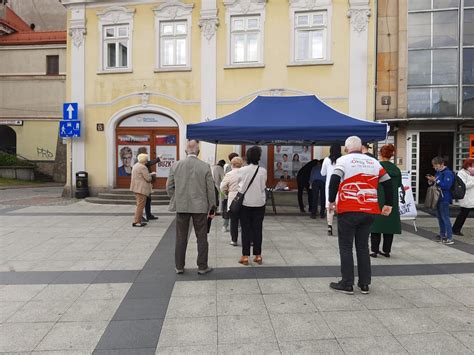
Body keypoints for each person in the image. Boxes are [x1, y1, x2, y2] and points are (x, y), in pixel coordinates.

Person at [328, 136, 393, 295]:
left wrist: (331, 200)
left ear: (347, 148)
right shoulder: (373, 162)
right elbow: (388, 183)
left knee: (346, 247)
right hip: (369, 210)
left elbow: (335, 179)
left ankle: (347, 283)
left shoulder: (344, 160)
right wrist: (388, 204)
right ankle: (364, 284)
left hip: (348, 209)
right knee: (363, 247)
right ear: (361, 147)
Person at [166, 140, 216, 275]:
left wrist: (176, 197)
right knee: (202, 237)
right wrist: (212, 207)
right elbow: (210, 190)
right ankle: (202, 266)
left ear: (185, 151)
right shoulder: (205, 166)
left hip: (182, 206)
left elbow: (169, 186)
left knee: (180, 237)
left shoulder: (176, 165)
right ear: (198, 152)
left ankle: (179, 266)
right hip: (200, 207)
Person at [370, 144, 404, 258]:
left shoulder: (376, 167)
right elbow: (399, 184)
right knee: (389, 226)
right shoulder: (396, 169)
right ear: (392, 155)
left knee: (376, 225)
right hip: (392, 200)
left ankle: (374, 250)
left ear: (380, 154)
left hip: (377, 198)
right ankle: (386, 250)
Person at [238, 146, 267, 265]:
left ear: (247, 157)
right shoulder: (263, 171)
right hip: (259, 203)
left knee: (245, 230)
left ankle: (245, 256)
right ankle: (258, 255)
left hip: (245, 203)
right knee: (257, 229)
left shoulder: (243, 170)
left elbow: (240, 187)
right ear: (259, 157)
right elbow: (263, 187)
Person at [426, 156, 455, 245]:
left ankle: (449, 237)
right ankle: (442, 235)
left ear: (442, 164)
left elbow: (446, 186)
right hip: (437, 198)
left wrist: (436, 180)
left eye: (436, 165)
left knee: (445, 217)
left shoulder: (448, 173)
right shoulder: (438, 172)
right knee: (440, 218)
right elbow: (436, 182)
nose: (435, 167)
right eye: (433, 166)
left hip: (444, 198)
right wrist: (431, 181)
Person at [220, 156, 244, 246]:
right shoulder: (245, 174)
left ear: (232, 164)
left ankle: (234, 240)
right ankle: (248, 239)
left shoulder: (229, 174)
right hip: (244, 199)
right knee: (244, 221)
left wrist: (226, 193)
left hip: (233, 199)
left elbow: (222, 187)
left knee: (233, 221)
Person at [321, 144, 341, 236]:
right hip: (341, 185)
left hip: (329, 185)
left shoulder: (326, 160)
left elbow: (322, 173)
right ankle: (342, 227)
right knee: (340, 206)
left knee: (330, 206)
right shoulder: (342, 160)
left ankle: (330, 226)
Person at [130, 153, 155, 227]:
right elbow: (148, 179)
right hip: (141, 189)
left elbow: (140, 176)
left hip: (137, 188)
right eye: (146, 160)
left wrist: (149, 174)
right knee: (140, 206)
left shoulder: (136, 165)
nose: (147, 161)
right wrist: (151, 175)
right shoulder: (143, 167)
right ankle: (137, 222)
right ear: (144, 160)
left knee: (139, 205)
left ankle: (137, 221)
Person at [137, 147, 161, 222]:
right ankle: (140, 217)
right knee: (141, 202)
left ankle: (148, 215)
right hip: (142, 186)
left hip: (145, 185)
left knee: (148, 200)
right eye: (146, 152)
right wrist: (158, 159)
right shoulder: (140, 161)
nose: (147, 153)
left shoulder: (142, 161)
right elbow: (148, 165)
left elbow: (148, 163)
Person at [452, 159, 474, 236]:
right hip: (466, 197)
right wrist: (473, 181)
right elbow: (463, 186)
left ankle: (455, 229)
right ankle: (455, 229)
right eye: (472, 165)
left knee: (463, 214)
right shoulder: (462, 173)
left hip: (472, 196)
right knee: (463, 214)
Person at [222, 153, 239, 232]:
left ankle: (226, 226)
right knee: (231, 210)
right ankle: (226, 225)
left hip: (229, 192)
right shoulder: (229, 167)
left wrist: (225, 192)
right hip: (234, 193)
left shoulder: (228, 167)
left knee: (228, 209)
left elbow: (223, 183)